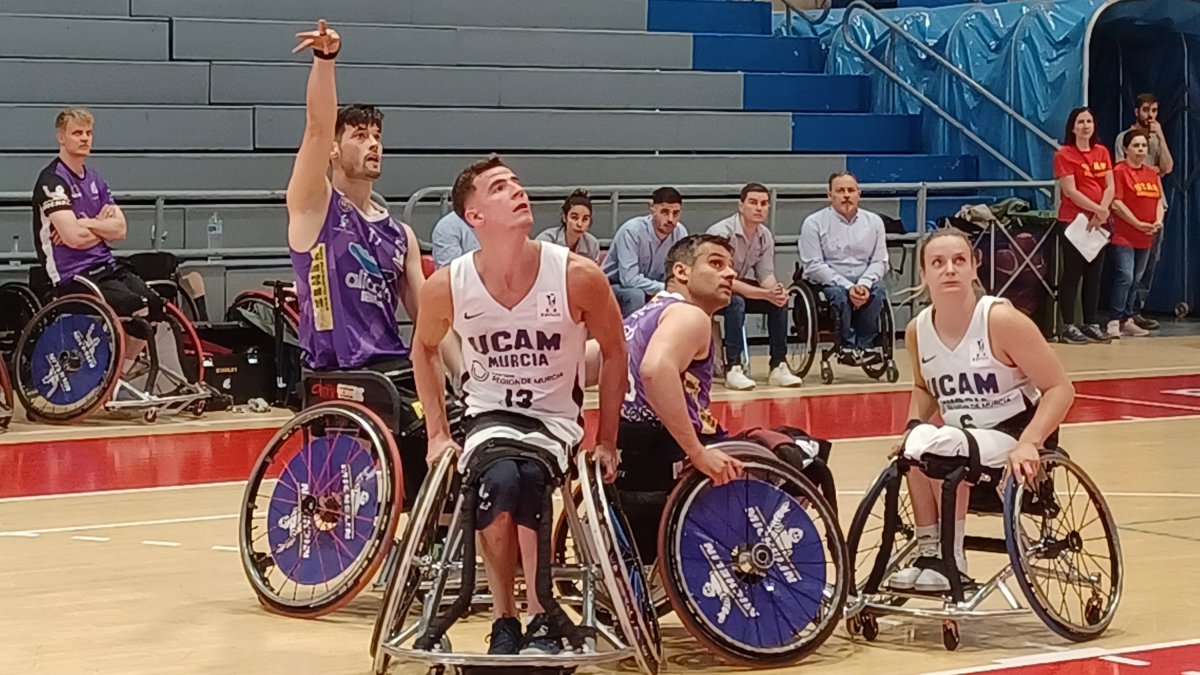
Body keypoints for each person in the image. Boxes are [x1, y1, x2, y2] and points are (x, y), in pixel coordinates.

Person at [409, 156, 627, 656]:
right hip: (489, 416)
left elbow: (616, 352)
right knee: (502, 477)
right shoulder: (449, 284)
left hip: (554, 419)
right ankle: (504, 618)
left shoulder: (577, 275)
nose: (516, 190)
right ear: (474, 216)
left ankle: (539, 613)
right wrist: (437, 433)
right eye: (499, 187)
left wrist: (608, 439)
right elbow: (423, 349)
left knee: (529, 476)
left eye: (516, 183)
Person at [285, 21, 458, 504]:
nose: (374, 143)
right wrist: (325, 61)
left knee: (460, 419)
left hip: (389, 367)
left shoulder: (399, 233)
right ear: (335, 149)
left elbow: (430, 320)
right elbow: (317, 126)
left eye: (377, 135)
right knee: (419, 423)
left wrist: (469, 376)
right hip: (336, 369)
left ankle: (436, 527)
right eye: (360, 135)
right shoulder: (314, 206)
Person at [888, 228, 1074, 593]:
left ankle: (952, 560)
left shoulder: (1001, 321)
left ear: (975, 266)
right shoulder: (917, 331)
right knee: (915, 447)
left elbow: (1061, 389)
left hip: (1015, 435)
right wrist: (911, 427)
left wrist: (1030, 442)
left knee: (943, 446)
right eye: (938, 262)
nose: (949, 269)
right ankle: (929, 553)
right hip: (962, 441)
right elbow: (924, 388)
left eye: (959, 260)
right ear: (923, 273)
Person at [610, 234, 745, 559]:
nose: (730, 274)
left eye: (731, 267)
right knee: (799, 457)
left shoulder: (641, 317)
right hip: (668, 454)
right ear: (682, 272)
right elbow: (655, 369)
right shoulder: (690, 315)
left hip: (631, 455)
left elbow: (585, 362)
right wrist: (696, 452)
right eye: (716, 264)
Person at [32, 106, 161, 364]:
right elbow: (73, 239)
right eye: (77, 133)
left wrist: (86, 223)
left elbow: (121, 230)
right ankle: (111, 372)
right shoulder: (52, 181)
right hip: (72, 274)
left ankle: (122, 370)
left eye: (88, 133)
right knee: (134, 306)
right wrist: (102, 226)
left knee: (155, 304)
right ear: (61, 137)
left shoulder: (96, 180)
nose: (84, 138)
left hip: (106, 265)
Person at [707, 183, 802, 390]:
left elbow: (765, 275)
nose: (759, 208)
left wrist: (775, 291)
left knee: (778, 302)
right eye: (753, 202)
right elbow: (723, 278)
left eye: (764, 203)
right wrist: (763, 293)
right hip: (712, 289)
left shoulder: (765, 235)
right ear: (741, 206)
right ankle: (734, 367)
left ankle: (778, 365)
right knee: (736, 302)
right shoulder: (721, 233)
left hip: (738, 285)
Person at [799, 172, 890, 365]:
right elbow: (814, 265)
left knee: (879, 292)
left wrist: (864, 284)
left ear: (859, 194)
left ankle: (865, 345)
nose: (846, 195)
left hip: (863, 279)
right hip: (828, 282)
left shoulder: (874, 222)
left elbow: (880, 261)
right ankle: (846, 346)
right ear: (829, 195)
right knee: (839, 295)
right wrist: (849, 287)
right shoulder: (813, 223)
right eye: (840, 191)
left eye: (851, 190)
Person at [1053, 107, 1115, 345]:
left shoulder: (1102, 151)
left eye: (1089, 121)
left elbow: (1110, 185)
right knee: (1073, 273)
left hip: (1098, 224)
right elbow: (1070, 190)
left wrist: (1102, 211)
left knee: (1094, 275)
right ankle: (1068, 325)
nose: (1085, 126)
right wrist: (1096, 209)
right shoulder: (1064, 154)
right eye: (1080, 122)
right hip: (1073, 222)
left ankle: (1091, 323)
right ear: (1072, 127)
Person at [1115, 93, 1173, 332]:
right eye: (1147, 110)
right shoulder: (1124, 138)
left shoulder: (1156, 138)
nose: (1151, 115)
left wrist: (1160, 136)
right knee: (1126, 272)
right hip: (1131, 208)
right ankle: (1118, 316)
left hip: (1155, 207)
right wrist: (1152, 169)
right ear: (1137, 111)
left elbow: (1167, 167)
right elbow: (1127, 166)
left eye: (1155, 110)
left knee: (1147, 266)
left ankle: (1135, 311)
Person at [1107, 130, 1162, 339]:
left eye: (1143, 146)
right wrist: (1137, 223)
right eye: (1136, 146)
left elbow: (1158, 200)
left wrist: (1157, 221)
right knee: (1125, 276)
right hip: (1124, 235)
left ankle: (1127, 320)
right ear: (1125, 149)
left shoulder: (1151, 174)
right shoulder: (1119, 171)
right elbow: (1117, 203)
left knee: (1137, 278)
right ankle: (1114, 319)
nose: (1140, 150)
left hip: (1146, 236)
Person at [601, 187, 688, 316]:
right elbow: (629, 279)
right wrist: (666, 288)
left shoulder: (680, 233)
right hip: (616, 286)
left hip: (656, 285)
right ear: (652, 209)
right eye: (665, 212)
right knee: (636, 295)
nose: (670, 219)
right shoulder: (632, 231)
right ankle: (633, 329)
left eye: (675, 213)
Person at [535, 189, 601, 263]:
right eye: (574, 217)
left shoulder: (592, 244)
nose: (579, 224)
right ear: (564, 217)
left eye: (585, 219)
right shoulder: (546, 240)